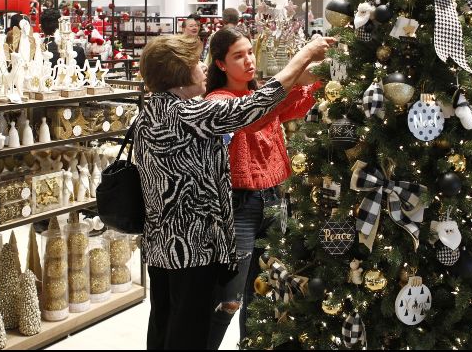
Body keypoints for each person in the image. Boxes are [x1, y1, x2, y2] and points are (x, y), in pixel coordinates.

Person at [134, 33, 335, 350]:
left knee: (166, 324)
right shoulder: (188, 115)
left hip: (163, 246)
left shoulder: (154, 112)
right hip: (192, 247)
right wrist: (305, 54)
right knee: (189, 330)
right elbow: (255, 105)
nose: (202, 69)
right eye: (196, 63)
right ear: (179, 73)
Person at [204, 28, 322, 348]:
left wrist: (318, 77)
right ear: (221, 65)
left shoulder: (259, 94)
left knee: (262, 289)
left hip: (273, 198)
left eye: (249, 52)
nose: (248, 60)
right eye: (238, 56)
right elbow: (255, 117)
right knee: (228, 298)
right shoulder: (218, 101)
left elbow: (294, 107)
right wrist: (301, 63)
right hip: (239, 204)